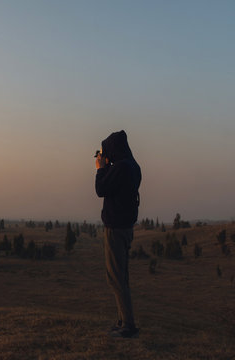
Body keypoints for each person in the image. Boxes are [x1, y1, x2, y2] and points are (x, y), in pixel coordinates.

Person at [95, 130, 141, 338]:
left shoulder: (121, 168)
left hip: (115, 228)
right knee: (120, 277)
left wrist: (100, 169)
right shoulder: (132, 166)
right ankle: (124, 320)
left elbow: (100, 189)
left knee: (115, 278)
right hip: (125, 227)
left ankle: (127, 326)